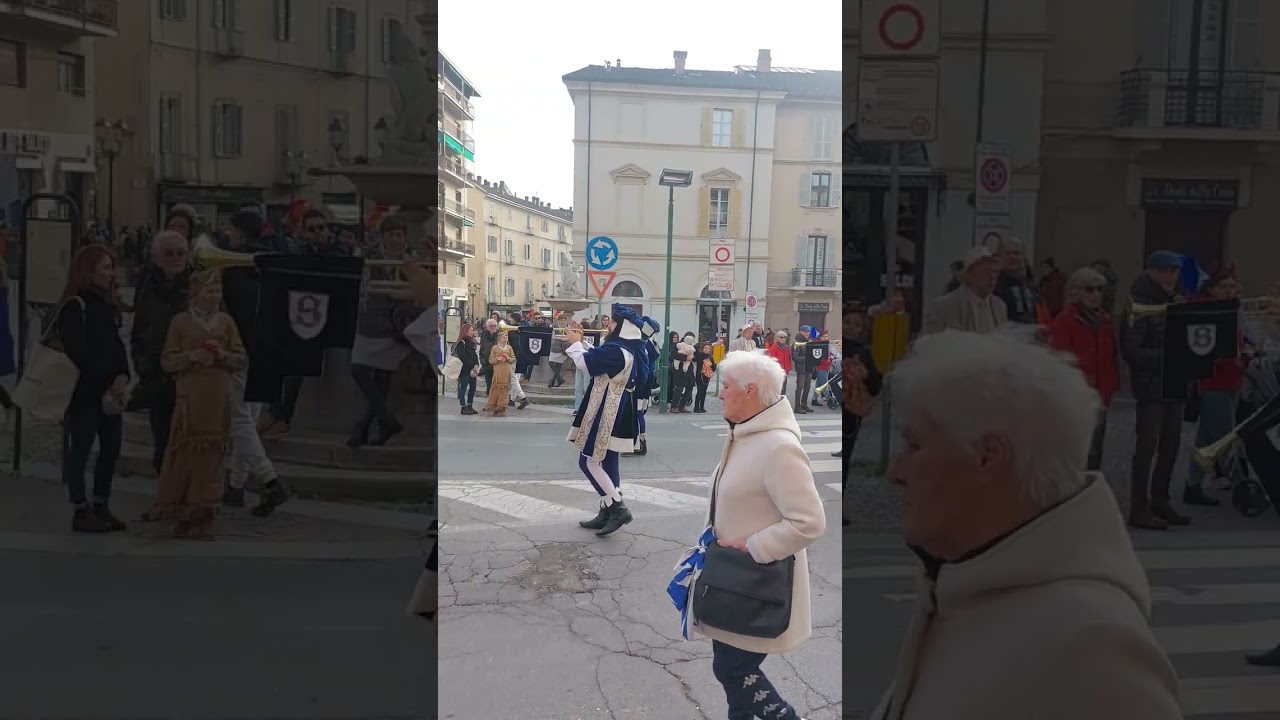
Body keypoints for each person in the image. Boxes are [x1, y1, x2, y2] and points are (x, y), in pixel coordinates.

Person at [871, 330, 1181, 720]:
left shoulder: (1093, 644)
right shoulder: (964, 581)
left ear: (988, 458)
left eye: (914, 446)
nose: (895, 472)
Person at [677, 350, 825, 720]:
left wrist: (753, 546)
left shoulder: (778, 447)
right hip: (733, 582)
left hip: (755, 582)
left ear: (750, 390)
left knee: (733, 670)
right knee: (732, 674)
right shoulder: (745, 435)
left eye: (725, 386)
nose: (719, 394)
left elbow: (809, 521)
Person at [140, 270, 246, 538]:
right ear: (195, 294)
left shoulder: (227, 323)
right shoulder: (180, 323)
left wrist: (222, 355)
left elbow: (241, 358)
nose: (215, 296)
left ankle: (205, 510)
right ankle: (182, 509)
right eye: (210, 291)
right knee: (184, 454)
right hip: (190, 397)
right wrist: (191, 357)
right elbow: (168, 360)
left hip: (217, 396)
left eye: (218, 291)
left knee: (212, 457)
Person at [218, 209, 291, 516]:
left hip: (242, 345)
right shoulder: (273, 261)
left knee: (240, 420)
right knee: (247, 417)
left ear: (237, 231)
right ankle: (234, 485)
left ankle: (270, 481)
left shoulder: (232, 264)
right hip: (270, 345)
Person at [57, 245, 131, 533]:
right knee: (82, 449)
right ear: (88, 271)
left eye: (111, 267)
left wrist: (123, 373)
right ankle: (80, 508)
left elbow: (116, 343)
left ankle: (101, 502)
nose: (111, 273)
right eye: (105, 267)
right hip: (85, 391)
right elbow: (79, 351)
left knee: (111, 448)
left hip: (111, 391)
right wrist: (108, 377)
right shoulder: (75, 305)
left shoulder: (106, 303)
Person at [563, 304, 651, 536]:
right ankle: (606, 510)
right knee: (609, 461)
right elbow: (599, 357)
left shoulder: (616, 351)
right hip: (619, 409)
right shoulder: (629, 349)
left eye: (612, 323)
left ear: (622, 327)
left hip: (607, 411)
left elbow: (586, 364)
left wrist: (574, 343)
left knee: (589, 461)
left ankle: (617, 508)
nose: (608, 325)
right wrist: (583, 343)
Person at [1120, 250, 1192, 530]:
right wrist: (1170, 356)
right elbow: (1132, 351)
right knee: (1146, 447)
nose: (1170, 276)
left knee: (1171, 446)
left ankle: (1161, 500)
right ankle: (1139, 507)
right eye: (1163, 270)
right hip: (1151, 387)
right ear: (1150, 272)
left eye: (1173, 271)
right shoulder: (1136, 303)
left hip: (1175, 384)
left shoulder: (1178, 301)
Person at [1183, 268, 1249, 505]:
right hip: (1214, 382)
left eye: (1232, 287)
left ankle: (1193, 485)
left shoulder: (1232, 311)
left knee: (1206, 440)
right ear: (1212, 290)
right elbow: (1204, 350)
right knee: (1225, 438)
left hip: (1233, 380)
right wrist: (1230, 359)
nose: (1229, 291)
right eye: (1223, 287)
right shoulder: (1209, 313)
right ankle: (1243, 487)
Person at [130, 230, 191, 471]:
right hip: (157, 377)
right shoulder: (148, 287)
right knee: (162, 444)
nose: (176, 258)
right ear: (156, 258)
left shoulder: (196, 286)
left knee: (187, 442)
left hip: (189, 376)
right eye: (169, 253)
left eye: (181, 253)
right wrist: (143, 366)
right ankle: (165, 500)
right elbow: (139, 331)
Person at [1049, 267, 1120, 471]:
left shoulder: (1104, 320)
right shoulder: (1065, 320)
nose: (1096, 294)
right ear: (1077, 292)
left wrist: (1109, 388)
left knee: (1096, 451)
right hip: (1076, 397)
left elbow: (1112, 358)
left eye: (1099, 290)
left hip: (1100, 397)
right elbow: (1059, 361)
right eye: (1090, 289)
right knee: (1075, 451)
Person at [923, 247, 1007, 334]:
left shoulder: (999, 306)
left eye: (995, 272)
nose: (992, 278)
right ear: (969, 275)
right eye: (986, 272)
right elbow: (928, 343)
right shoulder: (943, 307)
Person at [484, 331, 515, 417]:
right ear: (499, 339)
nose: (505, 339)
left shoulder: (509, 348)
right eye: (504, 338)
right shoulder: (494, 348)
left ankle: (503, 407)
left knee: (505, 389)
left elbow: (513, 359)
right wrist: (498, 359)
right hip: (498, 370)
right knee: (496, 388)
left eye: (506, 338)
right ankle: (495, 406)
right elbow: (490, 360)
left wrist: (508, 358)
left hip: (506, 370)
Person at [453, 323, 479, 414]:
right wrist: (472, 365)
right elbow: (462, 357)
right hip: (464, 369)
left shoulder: (471, 342)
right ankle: (463, 406)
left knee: (473, 388)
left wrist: (476, 364)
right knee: (463, 387)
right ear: (465, 331)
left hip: (472, 369)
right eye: (471, 330)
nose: (473, 332)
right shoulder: (461, 342)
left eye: (473, 330)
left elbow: (474, 355)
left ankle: (470, 405)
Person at [790, 327, 814, 415]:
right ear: (801, 332)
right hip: (801, 368)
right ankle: (797, 406)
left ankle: (804, 404)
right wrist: (807, 358)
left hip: (809, 367)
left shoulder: (810, 341)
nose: (807, 333)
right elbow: (795, 357)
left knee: (807, 387)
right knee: (799, 387)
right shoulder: (797, 342)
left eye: (808, 331)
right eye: (805, 331)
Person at [810, 329, 832, 407]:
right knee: (824, 385)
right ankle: (830, 400)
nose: (826, 338)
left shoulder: (826, 344)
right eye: (824, 336)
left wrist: (831, 358)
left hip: (827, 366)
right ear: (820, 337)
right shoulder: (818, 345)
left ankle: (814, 399)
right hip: (821, 367)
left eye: (827, 336)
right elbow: (818, 356)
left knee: (818, 385)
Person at [693, 341, 716, 413]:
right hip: (700, 376)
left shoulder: (710, 357)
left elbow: (714, 368)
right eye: (705, 348)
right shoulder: (700, 355)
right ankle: (696, 407)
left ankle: (702, 407)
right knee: (699, 391)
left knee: (704, 392)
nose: (706, 349)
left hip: (707, 376)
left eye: (708, 348)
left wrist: (711, 364)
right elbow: (696, 349)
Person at [766, 330, 792, 397]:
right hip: (777, 372)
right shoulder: (774, 348)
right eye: (781, 337)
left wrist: (788, 369)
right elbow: (772, 361)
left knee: (783, 389)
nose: (783, 339)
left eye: (784, 337)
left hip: (785, 371)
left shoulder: (787, 347)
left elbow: (789, 359)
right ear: (777, 338)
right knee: (777, 389)